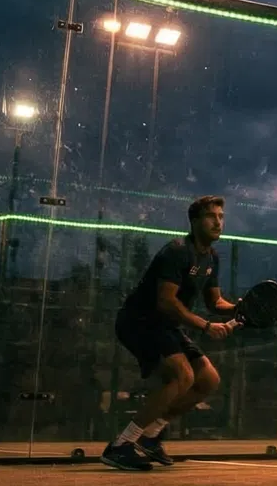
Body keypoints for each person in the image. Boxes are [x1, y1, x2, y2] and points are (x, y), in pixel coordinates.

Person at [102, 195, 238, 470]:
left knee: (208, 379)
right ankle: (121, 445)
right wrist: (205, 326)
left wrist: (242, 308)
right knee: (182, 375)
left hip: (165, 325)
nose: (218, 222)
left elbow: (215, 302)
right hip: (138, 321)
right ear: (195, 221)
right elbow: (166, 301)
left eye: (221, 217)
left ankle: (150, 437)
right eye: (212, 216)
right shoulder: (176, 251)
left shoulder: (211, 257)